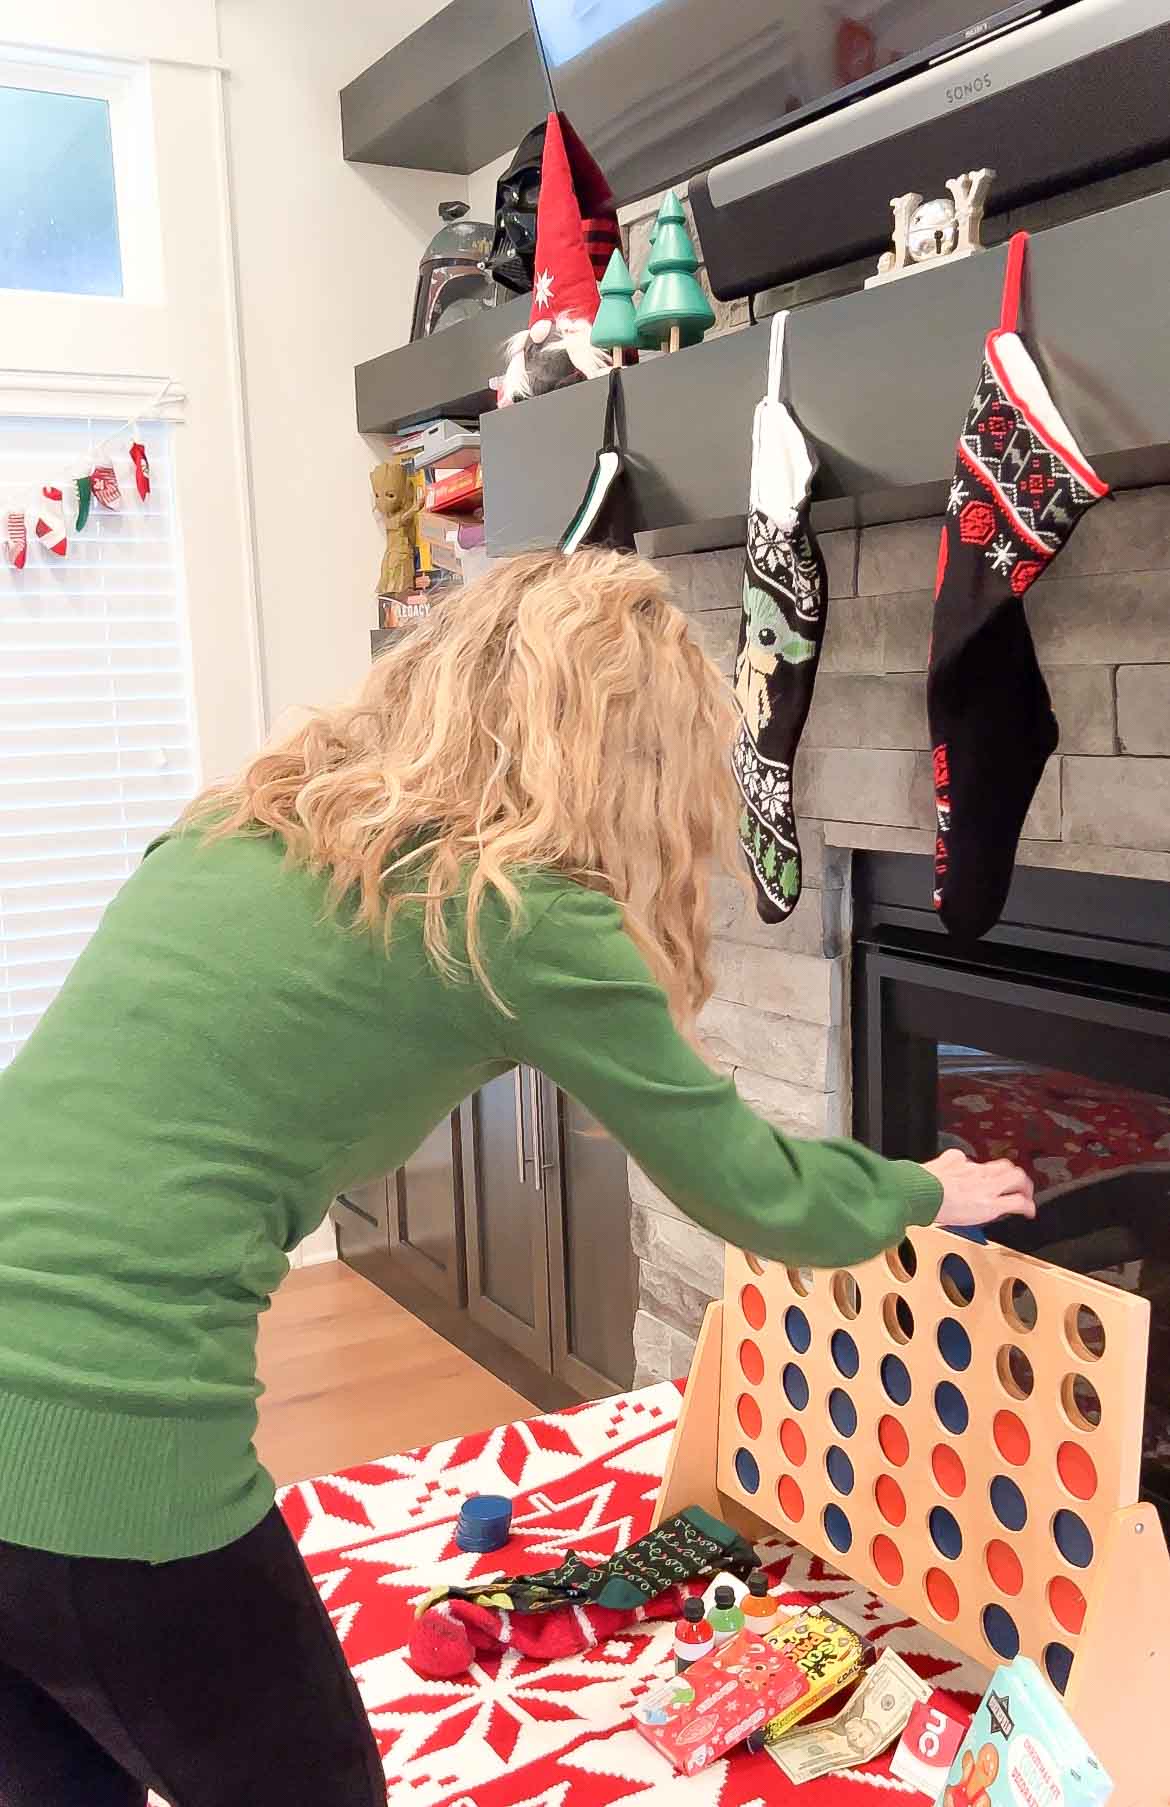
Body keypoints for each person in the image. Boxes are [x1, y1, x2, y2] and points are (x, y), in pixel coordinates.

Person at [0, 548, 1034, 1805]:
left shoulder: (234, 821)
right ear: (632, 758)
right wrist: (928, 1190)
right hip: (100, 1438)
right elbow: (750, 1188)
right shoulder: (521, 910)